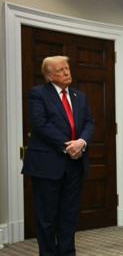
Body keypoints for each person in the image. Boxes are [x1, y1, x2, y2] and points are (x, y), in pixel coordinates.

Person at [22, 56, 95, 256]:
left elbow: (89, 122)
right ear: (49, 76)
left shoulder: (80, 96)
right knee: (47, 218)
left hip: (75, 164)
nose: (67, 72)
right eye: (61, 70)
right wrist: (68, 146)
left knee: (69, 216)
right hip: (47, 165)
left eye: (67, 68)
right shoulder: (38, 94)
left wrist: (82, 142)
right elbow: (40, 124)